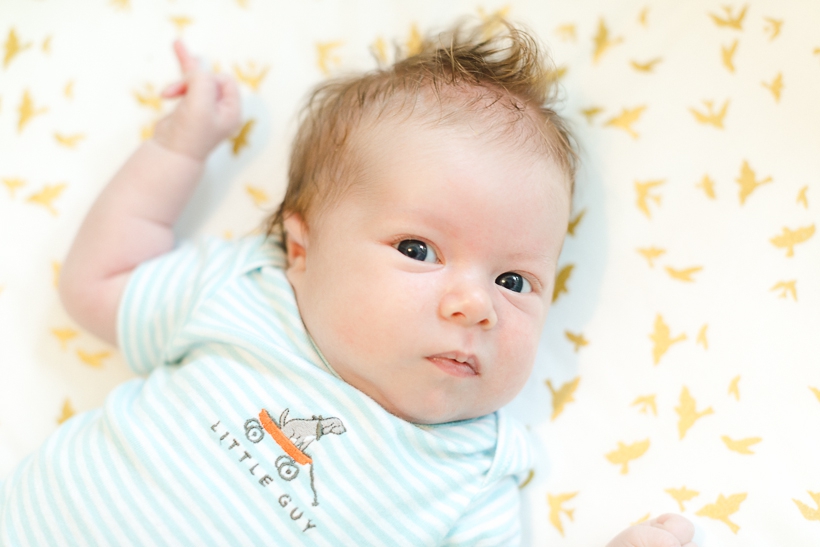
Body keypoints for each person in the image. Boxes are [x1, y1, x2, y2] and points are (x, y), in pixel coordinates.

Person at [0, 19, 697, 547]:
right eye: (419, 248)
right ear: (299, 249)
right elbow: (100, 280)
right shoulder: (245, 292)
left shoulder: (471, 472)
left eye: (514, 278)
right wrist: (178, 148)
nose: (476, 304)